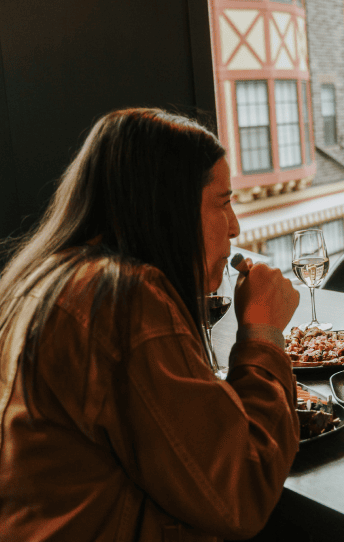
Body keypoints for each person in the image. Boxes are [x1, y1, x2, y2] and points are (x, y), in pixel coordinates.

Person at [0, 108, 301, 541]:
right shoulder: (121, 298)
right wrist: (263, 334)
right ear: (169, 206)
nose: (234, 226)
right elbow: (241, 491)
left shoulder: (46, 276)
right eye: (223, 203)